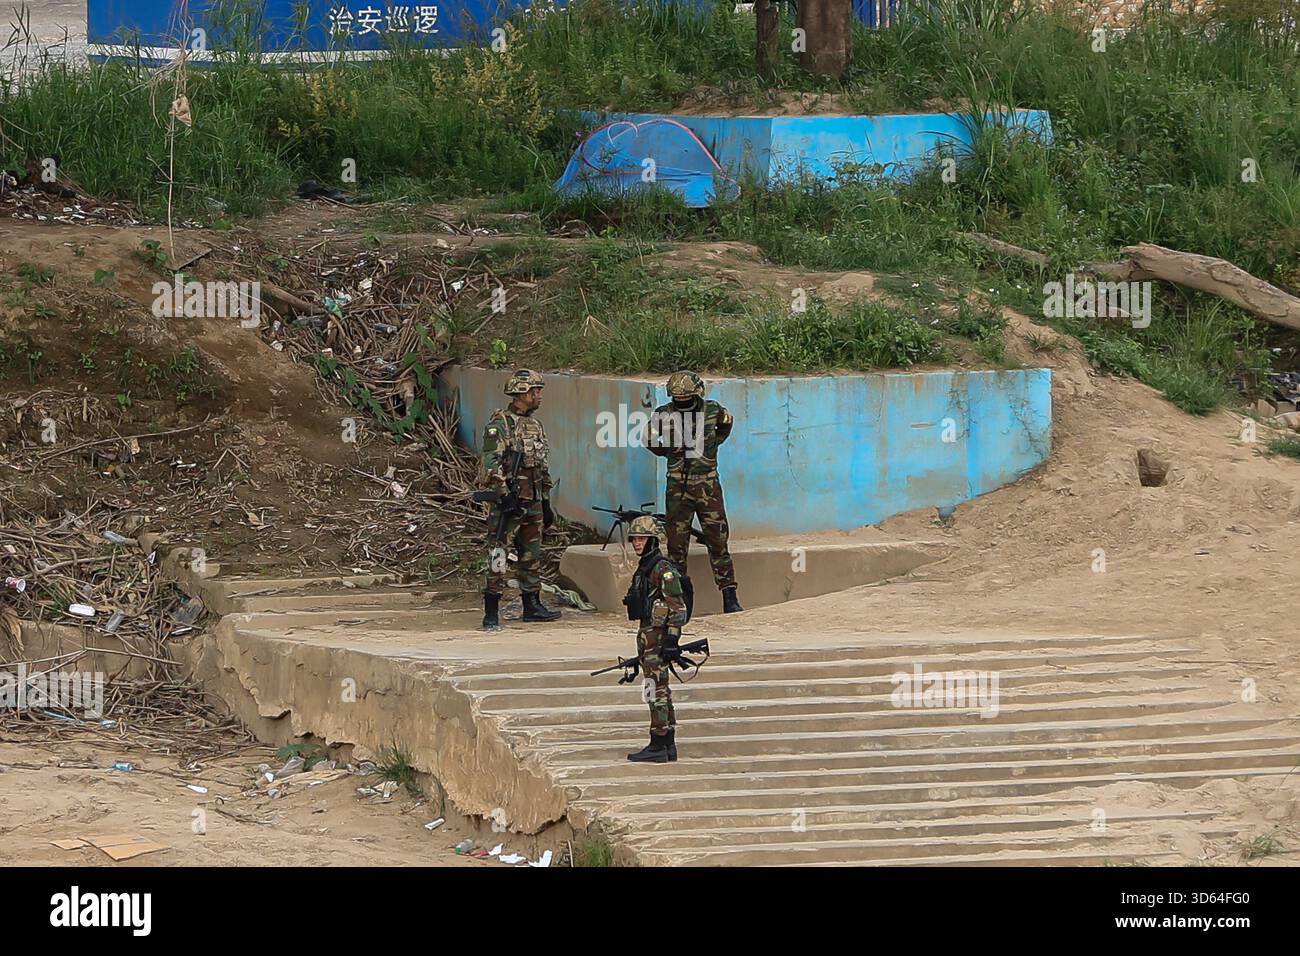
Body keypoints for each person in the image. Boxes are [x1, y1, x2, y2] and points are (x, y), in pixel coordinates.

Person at [646, 370, 742, 613]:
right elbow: (649, 440)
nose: (681, 401)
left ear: (697, 394)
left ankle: (729, 596)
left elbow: (725, 427)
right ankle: (680, 602)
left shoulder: (714, 410)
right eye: (677, 398)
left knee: (717, 540)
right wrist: (669, 451)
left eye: (686, 397)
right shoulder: (663, 415)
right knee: (677, 546)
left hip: (707, 485)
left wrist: (711, 447)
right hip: (677, 487)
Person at [478, 369, 561, 631]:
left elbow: (542, 466)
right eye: (536, 391)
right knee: (499, 554)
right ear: (523, 393)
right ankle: (491, 609)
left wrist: (546, 501)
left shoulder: (535, 425)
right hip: (509, 502)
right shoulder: (499, 424)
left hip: (533, 499)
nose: (540, 396)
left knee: (531, 555)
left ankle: (532, 605)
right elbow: (490, 465)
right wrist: (503, 497)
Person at [623, 515, 688, 763]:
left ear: (652, 540)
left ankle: (658, 742)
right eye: (635, 539)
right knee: (659, 688)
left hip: (658, 639)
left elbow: (678, 607)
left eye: (642, 539)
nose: (637, 543)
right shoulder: (647, 567)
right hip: (649, 637)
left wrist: (672, 640)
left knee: (654, 690)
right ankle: (667, 743)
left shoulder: (662, 568)